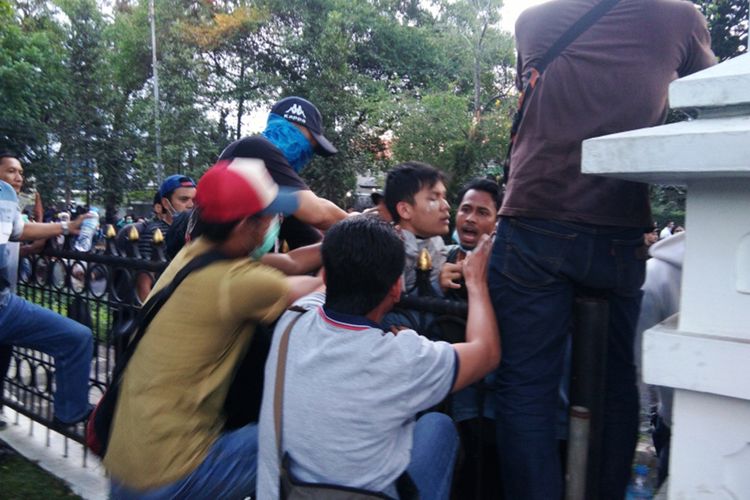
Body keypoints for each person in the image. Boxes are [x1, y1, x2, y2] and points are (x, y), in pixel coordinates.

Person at [488, 2, 716, 498]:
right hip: (619, 230)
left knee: (527, 389)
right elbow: (715, 92)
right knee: (616, 387)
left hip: (534, 223)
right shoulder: (678, 17)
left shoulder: (532, 23)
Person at [104, 157, 322, 499]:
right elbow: (323, 288)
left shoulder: (194, 254)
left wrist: (333, 243)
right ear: (244, 227)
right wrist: (361, 247)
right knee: (305, 436)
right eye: (268, 217)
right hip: (172, 475)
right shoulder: (234, 283)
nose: (274, 223)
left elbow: (291, 262)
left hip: (127, 465)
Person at [256, 215, 500, 499]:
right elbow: (487, 352)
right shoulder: (403, 358)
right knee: (438, 426)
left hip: (283, 492)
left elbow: (328, 284)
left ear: (326, 275)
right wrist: (477, 283)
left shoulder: (294, 320)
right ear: (397, 287)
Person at [0, 153, 94, 429]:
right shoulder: (3, 198)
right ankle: (70, 412)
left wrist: (68, 227)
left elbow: (21, 228)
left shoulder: (7, 206)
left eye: (20, 172)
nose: (18, 178)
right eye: (10, 172)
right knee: (76, 338)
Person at [219, 96, 347, 249]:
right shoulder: (253, 148)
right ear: (294, 127)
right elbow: (317, 212)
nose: (309, 154)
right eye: (310, 144)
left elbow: (309, 244)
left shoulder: (277, 196)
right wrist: (359, 221)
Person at [384, 161, 451, 294]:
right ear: (405, 210)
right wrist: (437, 287)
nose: (446, 206)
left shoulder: (437, 244)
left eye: (444, 197)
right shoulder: (386, 252)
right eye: (433, 198)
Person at [442, 178, 501, 300]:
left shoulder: (504, 270)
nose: (470, 218)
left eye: (482, 212)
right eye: (465, 209)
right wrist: (437, 289)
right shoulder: (440, 257)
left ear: (497, 222)